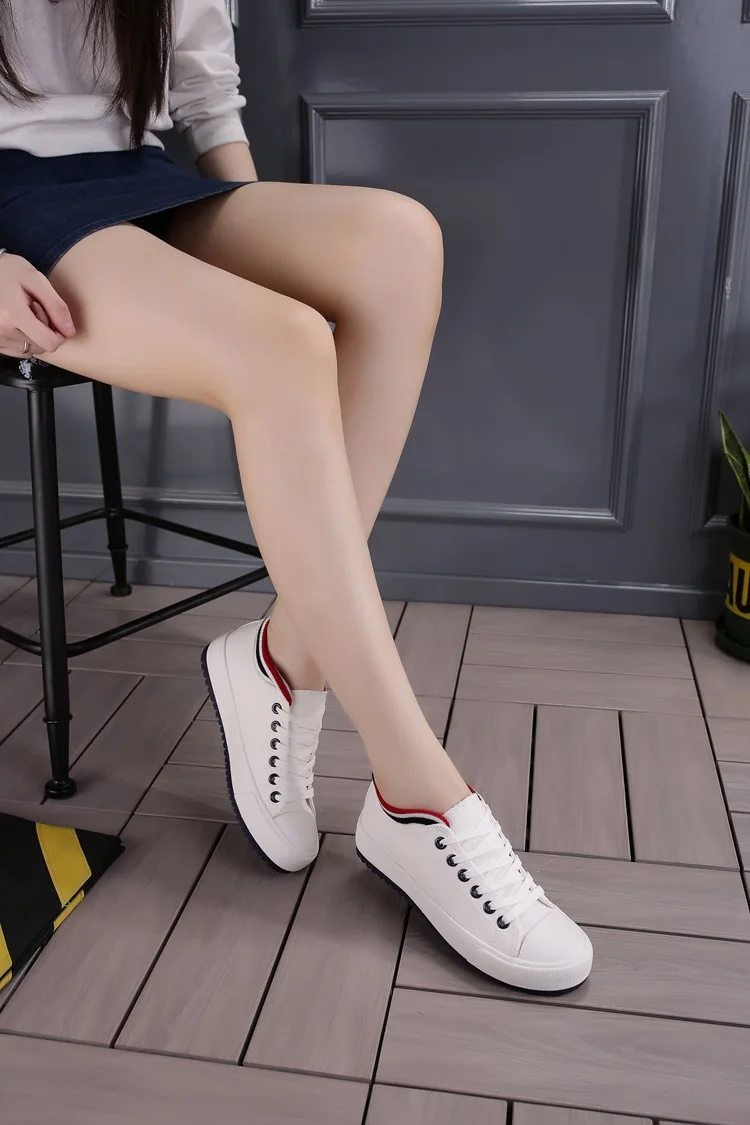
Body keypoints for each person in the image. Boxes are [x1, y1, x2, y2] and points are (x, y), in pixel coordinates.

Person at [0, 0, 592, 992]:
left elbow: (204, 92)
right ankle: (416, 794)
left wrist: (264, 258)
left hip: (136, 178)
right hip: (11, 212)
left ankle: (284, 653)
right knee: (282, 345)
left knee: (400, 241)